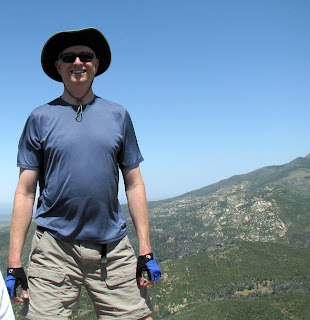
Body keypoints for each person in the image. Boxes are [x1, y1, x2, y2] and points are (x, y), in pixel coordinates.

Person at [5, 27, 161, 320]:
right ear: (58, 66)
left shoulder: (119, 116)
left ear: (96, 64)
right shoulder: (39, 118)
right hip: (54, 250)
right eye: (69, 57)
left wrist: (146, 250)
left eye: (86, 56)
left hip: (111, 250)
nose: (78, 62)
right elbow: (25, 191)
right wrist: (14, 262)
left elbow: (134, 183)